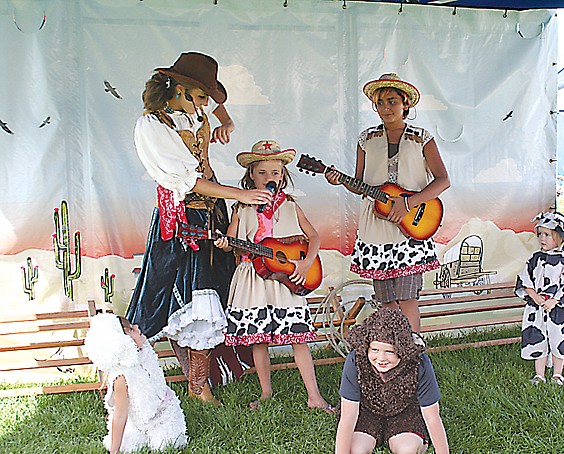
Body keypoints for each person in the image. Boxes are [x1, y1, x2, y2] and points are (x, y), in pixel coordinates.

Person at [126, 52, 272, 406]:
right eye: (202, 95)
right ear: (179, 89)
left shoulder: (197, 112)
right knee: (175, 296)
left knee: (210, 294)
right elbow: (188, 182)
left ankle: (199, 383)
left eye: (207, 97)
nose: (206, 103)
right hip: (179, 219)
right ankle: (132, 376)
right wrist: (242, 194)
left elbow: (220, 111)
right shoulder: (153, 126)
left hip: (211, 214)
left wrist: (227, 122)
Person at [325, 73, 450, 332]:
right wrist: (339, 180)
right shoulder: (366, 139)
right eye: (380, 103)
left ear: (406, 103)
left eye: (392, 101)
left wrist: (408, 203)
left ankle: (413, 352)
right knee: (387, 300)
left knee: (407, 297)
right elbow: (359, 184)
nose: (385, 108)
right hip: (377, 230)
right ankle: (393, 348)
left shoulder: (421, 138)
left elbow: (443, 180)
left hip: (410, 227)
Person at [219, 139, 333, 412]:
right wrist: (225, 242)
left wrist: (305, 264)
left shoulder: (291, 205)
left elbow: (313, 236)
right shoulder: (242, 206)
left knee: (298, 337)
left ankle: (314, 396)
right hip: (252, 278)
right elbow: (233, 239)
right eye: (261, 173)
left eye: (275, 173)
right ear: (251, 176)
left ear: (283, 176)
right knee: (259, 338)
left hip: (286, 277)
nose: (268, 178)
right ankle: (266, 391)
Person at [331, 308, 467, 454]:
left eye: (390, 352)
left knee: (409, 452)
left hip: (404, 412)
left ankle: (401, 436)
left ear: (402, 349)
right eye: (374, 350)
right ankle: (374, 437)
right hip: (367, 412)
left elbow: (432, 415)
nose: (381, 358)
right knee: (355, 452)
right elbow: (349, 415)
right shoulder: (356, 360)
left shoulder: (419, 363)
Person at [84, 313, 188, 454]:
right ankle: (127, 441)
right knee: (131, 448)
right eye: (131, 330)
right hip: (137, 421)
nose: (137, 328)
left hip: (162, 414)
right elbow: (120, 415)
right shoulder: (121, 378)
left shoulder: (143, 351)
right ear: (123, 343)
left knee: (165, 446)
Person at [515, 211, 564, 386]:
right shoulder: (535, 259)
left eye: (548, 235)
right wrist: (534, 296)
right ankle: (539, 374)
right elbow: (525, 278)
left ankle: (557, 373)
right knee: (537, 339)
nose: (542, 239)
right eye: (540, 234)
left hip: (558, 310)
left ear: (560, 237)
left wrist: (555, 300)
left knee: (559, 339)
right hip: (537, 309)